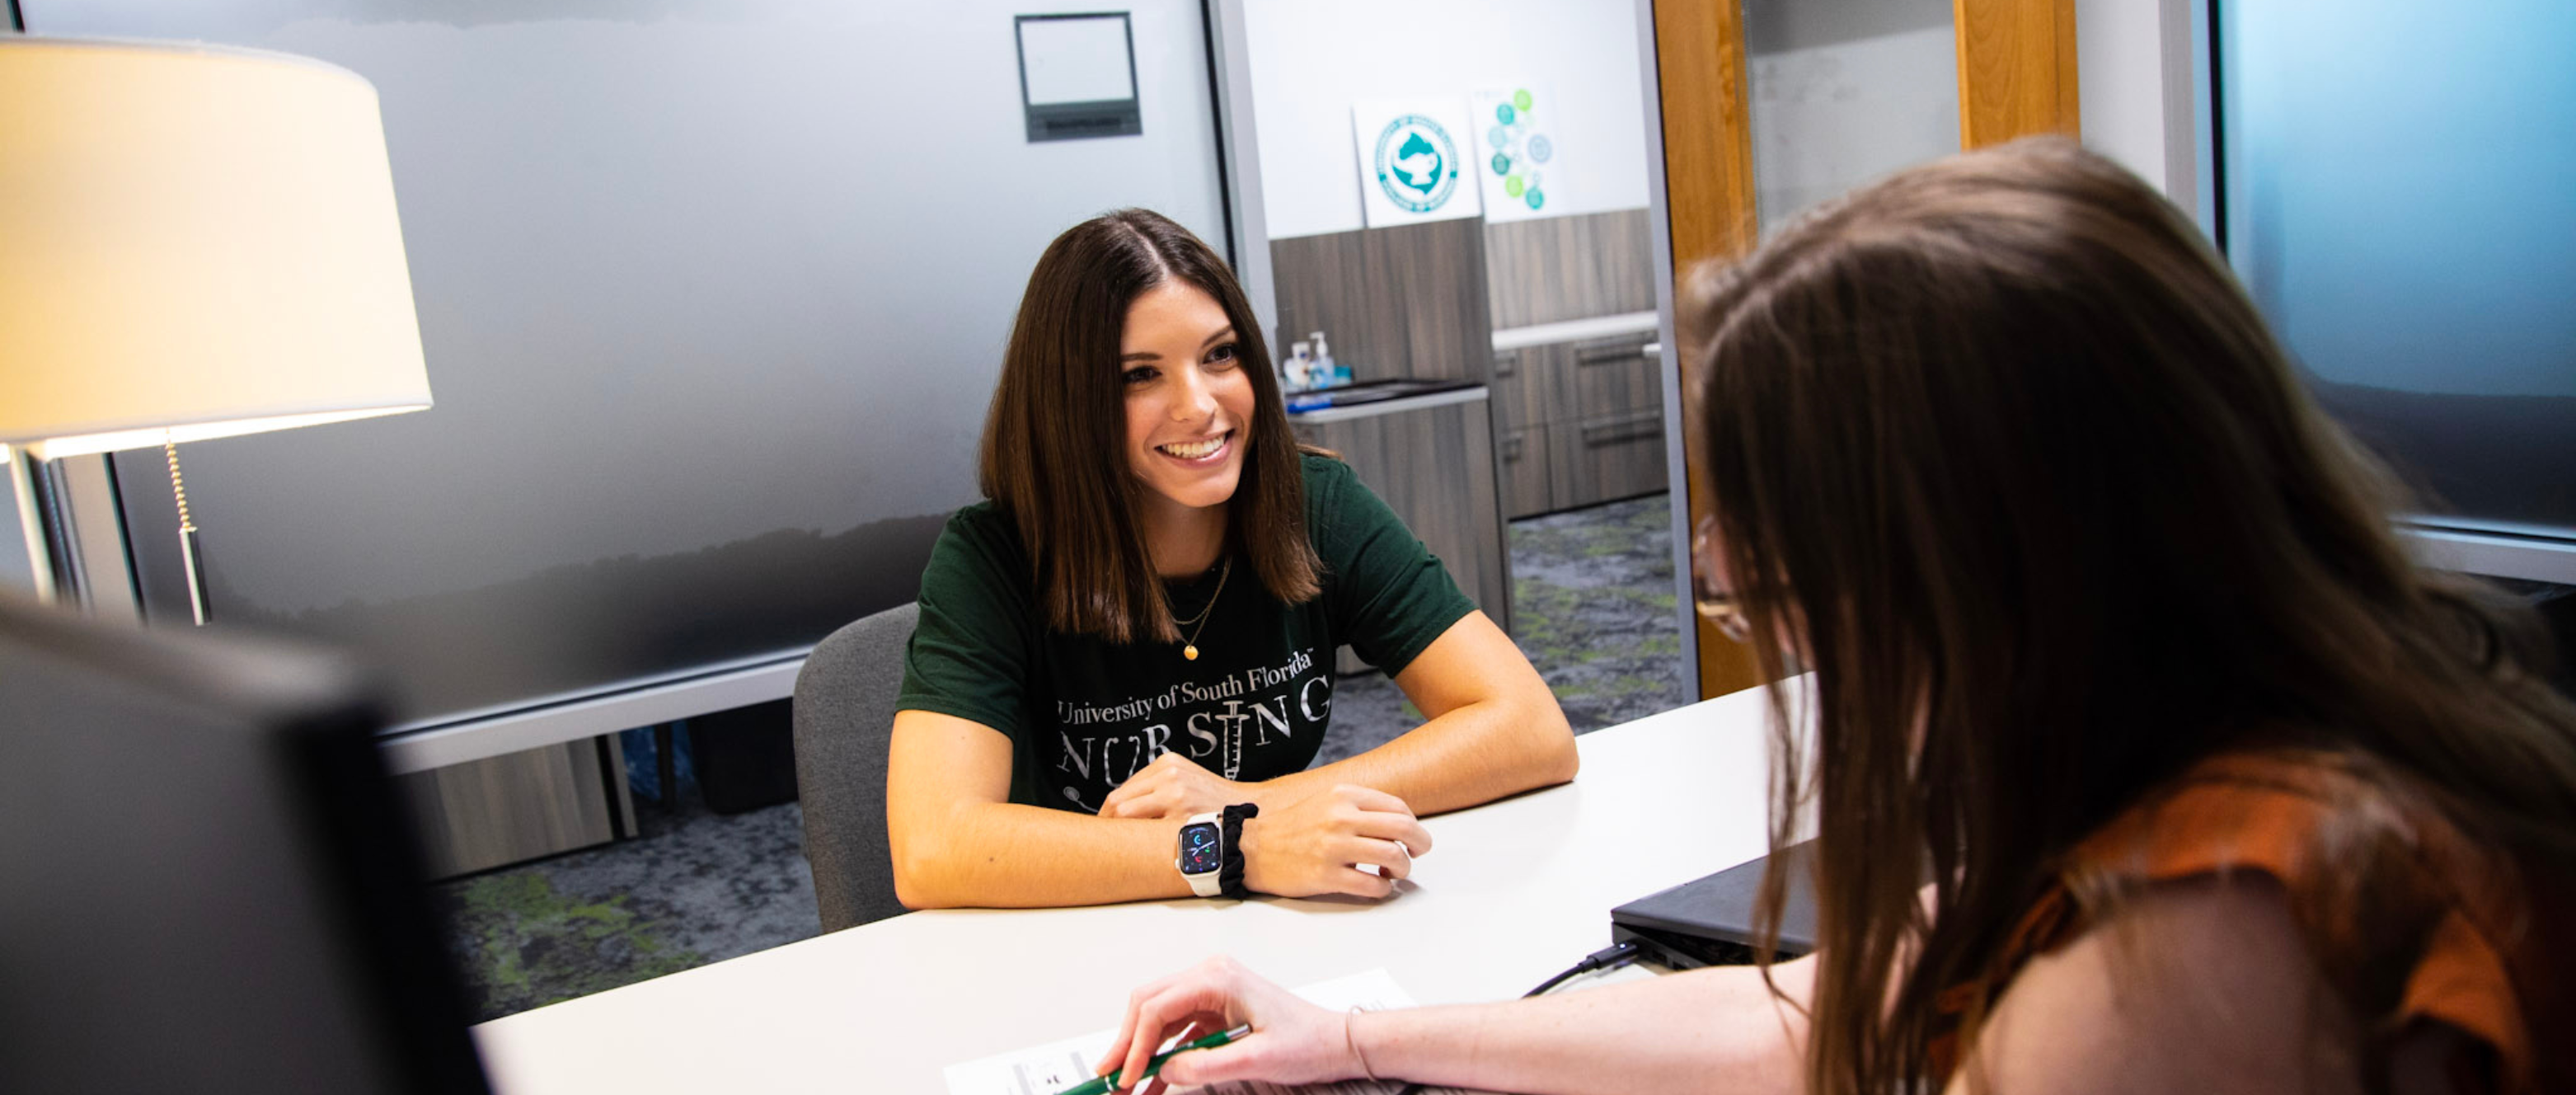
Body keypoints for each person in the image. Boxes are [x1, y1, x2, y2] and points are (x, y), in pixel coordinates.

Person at [1086, 140, 2576, 1093]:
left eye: (1771, 547)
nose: (1742, 591)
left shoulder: (2188, 956)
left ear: (1969, 553)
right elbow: (1806, 1013)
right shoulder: (2209, 765)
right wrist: (1348, 1037)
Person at [885, 209, 1578, 910]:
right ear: (1069, 404)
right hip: (1084, 937)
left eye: (1219, 355)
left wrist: (1248, 805)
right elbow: (933, 847)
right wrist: (1235, 846)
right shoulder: (993, 557)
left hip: (1280, 926)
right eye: (1139, 375)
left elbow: (1529, 728)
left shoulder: (1314, 505)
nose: (1199, 405)